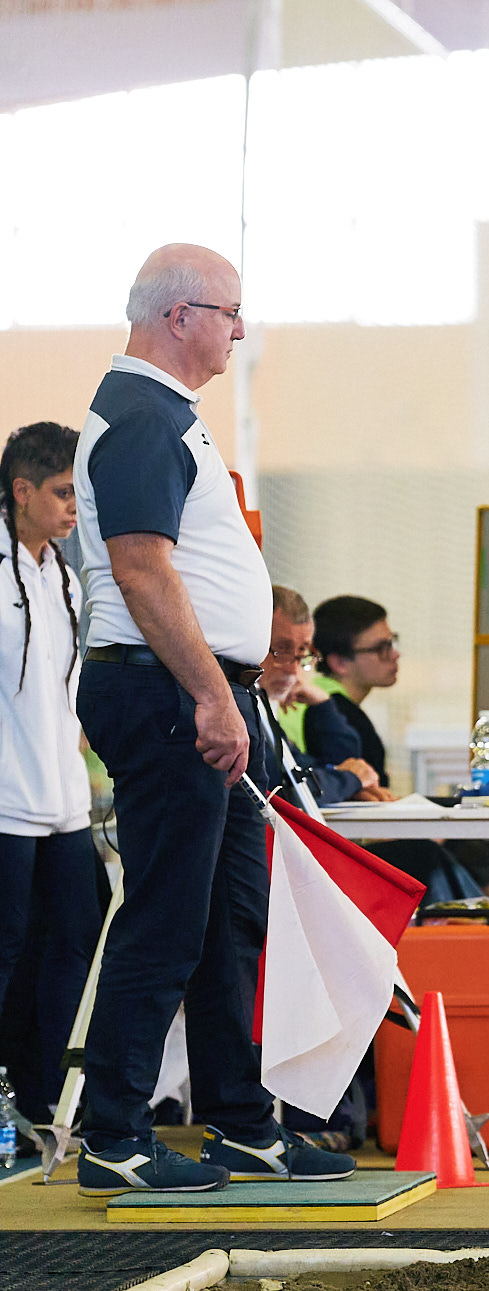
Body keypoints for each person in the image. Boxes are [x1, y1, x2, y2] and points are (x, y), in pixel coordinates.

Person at [72, 244, 351, 1194]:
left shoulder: (169, 413)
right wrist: (209, 694)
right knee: (165, 914)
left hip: (193, 690)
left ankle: (241, 1122)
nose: (240, 329)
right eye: (231, 312)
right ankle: (115, 1134)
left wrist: (221, 690)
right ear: (179, 315)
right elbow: (142, 569)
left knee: (228, 917)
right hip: (167, 694)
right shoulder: (140, 415)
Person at [0, 422, 103, 1125]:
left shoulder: (61, 573)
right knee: (6, 954)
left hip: (66, 805)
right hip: (7, 805)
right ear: (22, 490)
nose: (74, 507)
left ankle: (46, 1099)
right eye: (63, 492)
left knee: (72, 948)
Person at [253, 587, 387, 809]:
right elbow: (286, 789)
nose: (293, 670)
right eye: (282, 651)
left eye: (301, 654)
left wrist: (322, 704)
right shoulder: (241, 710)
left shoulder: (266, 707)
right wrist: (350, 780)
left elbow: (337, 764)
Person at [302, 595, 398, 787]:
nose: (395, 654)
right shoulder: (337, 712)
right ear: (339, 662)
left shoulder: (313, 692)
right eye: (381, 648)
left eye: (392, 642)